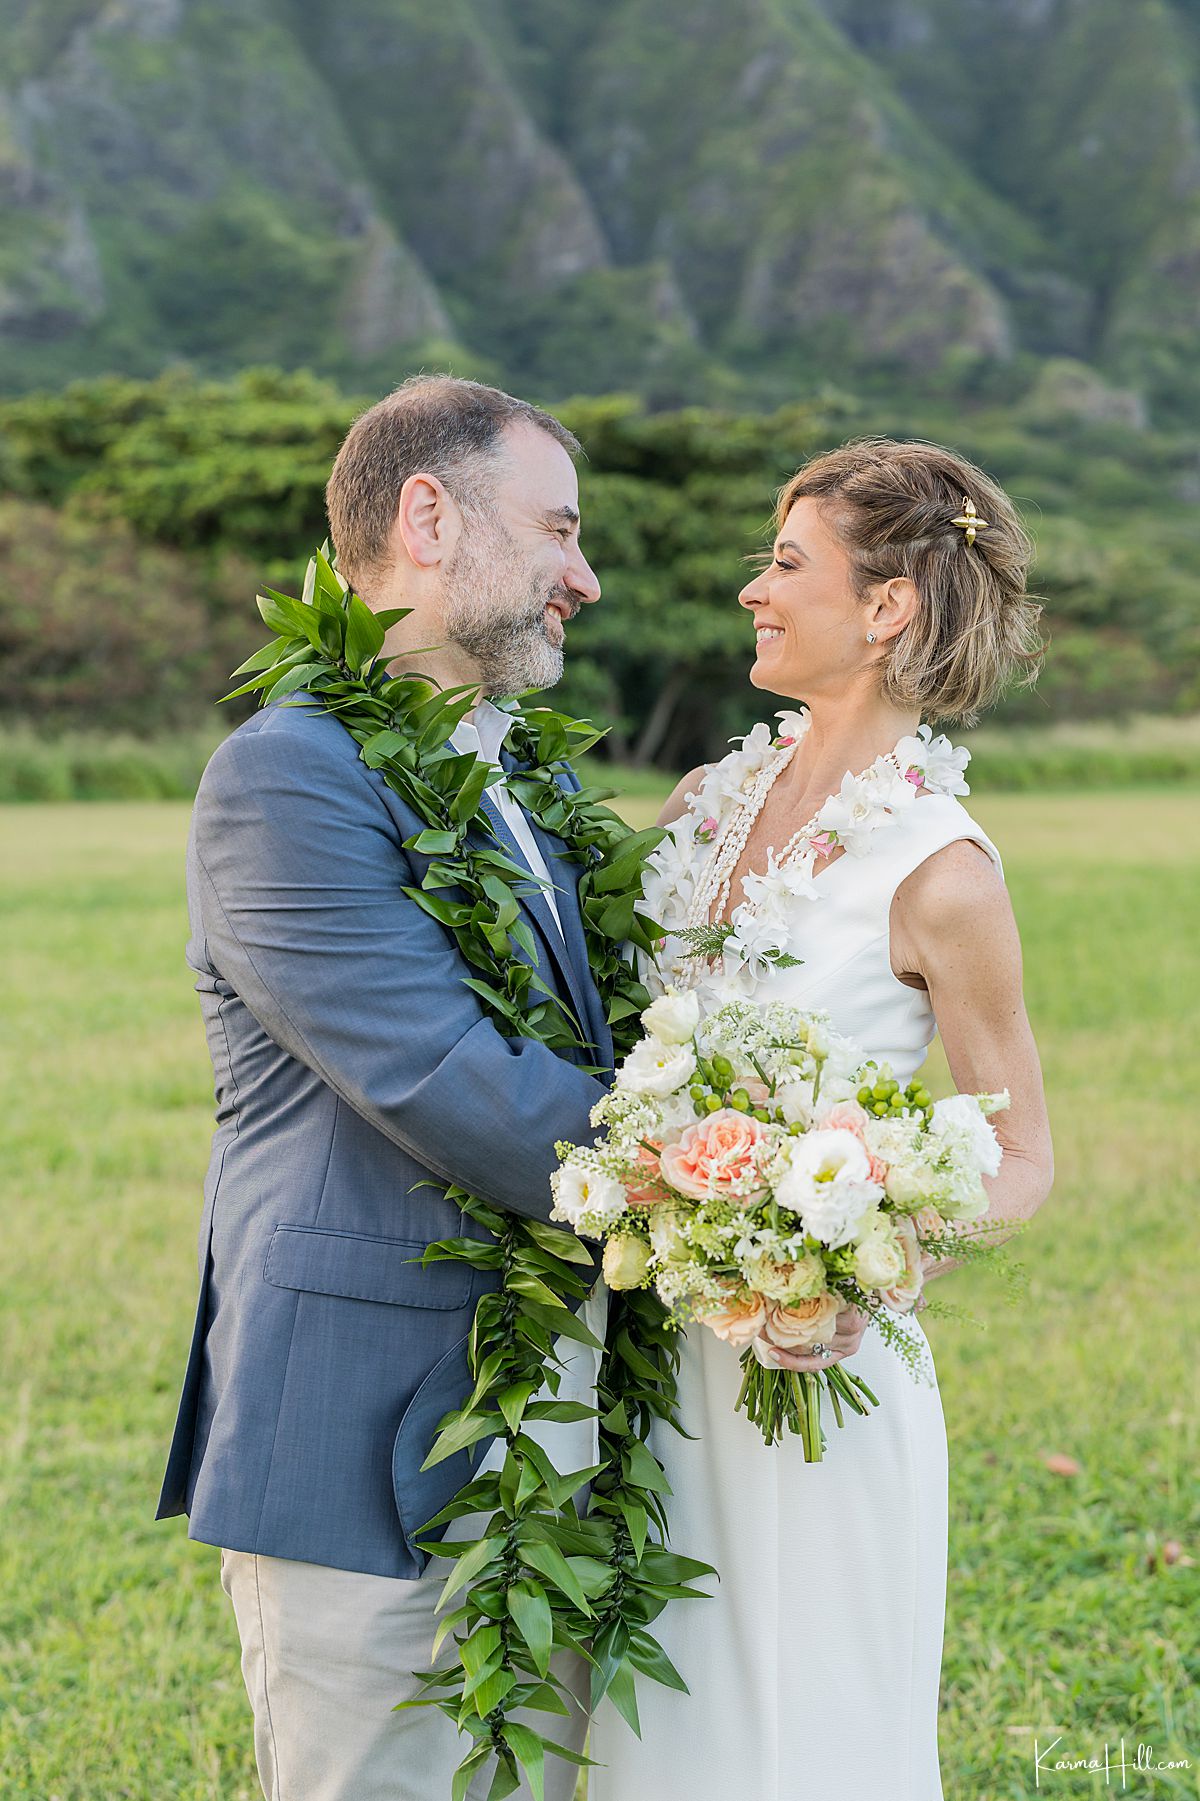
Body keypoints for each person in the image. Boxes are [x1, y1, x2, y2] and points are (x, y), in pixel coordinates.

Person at [155, 375, 608, 1801]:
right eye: (559, 529)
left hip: (551, 1429)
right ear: (429, 514)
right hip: (369, 1446)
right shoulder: (286, 777)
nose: (583, 577)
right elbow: (441, 1073)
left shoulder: (519, 782)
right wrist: (729, 1184)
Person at [587, 436, 1055, 1799]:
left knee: (810, 1745)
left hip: (820, 1389)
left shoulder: (940, 870)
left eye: (786, 562)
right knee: (657, 1743)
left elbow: (1021, 1152)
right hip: (658, 1375)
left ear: (888, 605)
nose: (753, 590)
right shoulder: (701, 803)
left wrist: (874, 1268)